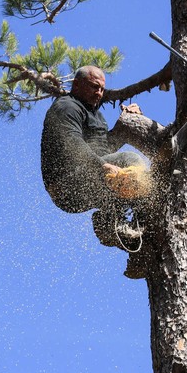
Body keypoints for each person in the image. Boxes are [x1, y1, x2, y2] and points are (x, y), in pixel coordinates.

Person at [40, 66, 151, 276]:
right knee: (131, 161)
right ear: (77, 85)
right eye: (94, 87)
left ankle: (125, 237)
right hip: (68, 184)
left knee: (124, 184)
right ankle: (127, 223)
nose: (99, 93)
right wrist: (102, 166)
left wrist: (127, 122)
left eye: (101, 89)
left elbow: (104, 150)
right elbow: (71, 144)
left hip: (87, 180)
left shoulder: (96, 115)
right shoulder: (66, 107)